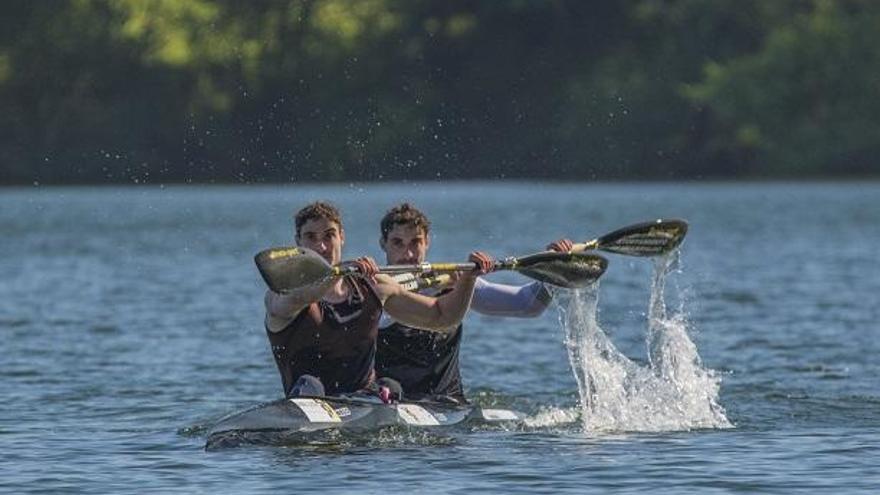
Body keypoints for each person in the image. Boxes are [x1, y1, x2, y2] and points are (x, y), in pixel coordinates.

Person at [263, 201, 492, 401]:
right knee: (309, 384)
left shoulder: (373, 286)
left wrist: (469, 279)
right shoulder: (281, 293)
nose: (321, 247)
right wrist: (336, 273)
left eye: (329, 235)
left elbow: (442, 316)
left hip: (364, 401)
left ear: (341, 237)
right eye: (311, 237)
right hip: (308, 397)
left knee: (391, 387)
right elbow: (302, 296)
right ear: (298, 243)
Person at [375, 203, 570, 403]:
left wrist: (554, 269)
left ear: (427, 243)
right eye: (398, 243)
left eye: (415, 243)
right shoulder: (372, 289)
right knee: (389, 387)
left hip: (448, 403)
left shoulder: (456, 283)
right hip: (387, 399)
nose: (408, 255)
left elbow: (528, 304)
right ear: (383, 244)